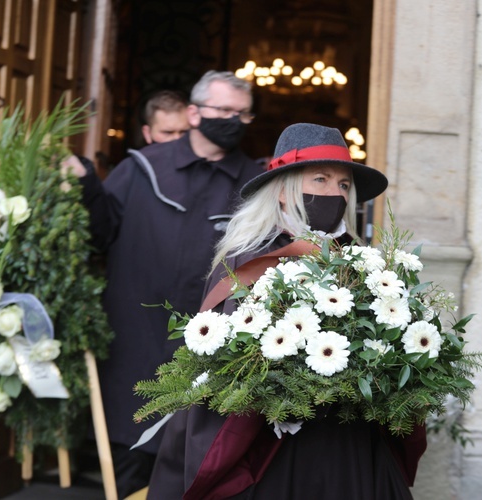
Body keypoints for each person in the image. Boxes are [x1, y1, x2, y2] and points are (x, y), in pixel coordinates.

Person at [147, 123, 426, 500]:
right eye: (321, 179)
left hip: (348, 440)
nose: (334, 193)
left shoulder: (363, 264)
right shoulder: (248, 259)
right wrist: (284, 391)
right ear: (283, 190)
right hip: (276, 441)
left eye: (344, 185)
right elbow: (228, 358)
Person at [66, 70, 264, 498]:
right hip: (134, 343)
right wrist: (85, 187)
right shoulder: (141, 168)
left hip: (210, 351)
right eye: (223, 110)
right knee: (127, 468)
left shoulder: (256, 184)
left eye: (242, 114)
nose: (233, 119)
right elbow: (99, 235)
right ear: (194, 113)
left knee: (197, 467)